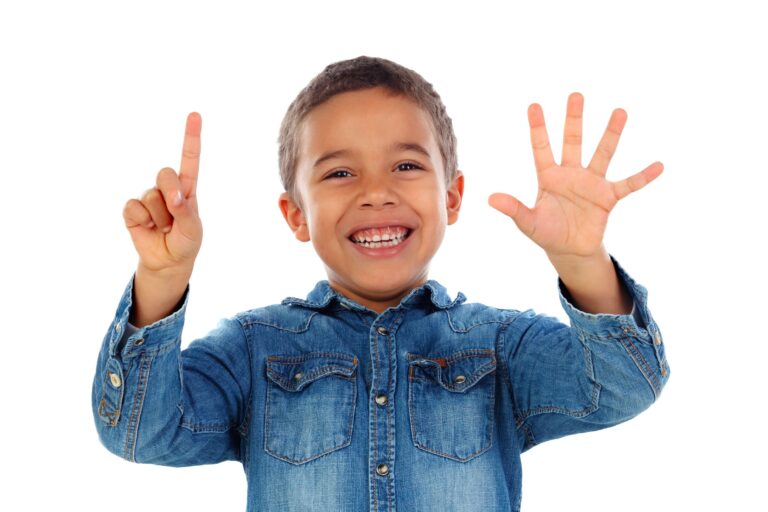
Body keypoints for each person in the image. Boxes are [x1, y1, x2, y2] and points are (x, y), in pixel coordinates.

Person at [92, 56, 669, 511]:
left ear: (452, 197)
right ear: (296, 214)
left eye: (407, 165)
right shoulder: (254, 348)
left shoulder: (500, 346)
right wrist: (162, 279)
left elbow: (623, 387)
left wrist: (582, 261)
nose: (375, 192)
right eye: (340, 172)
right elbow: (141, 433)